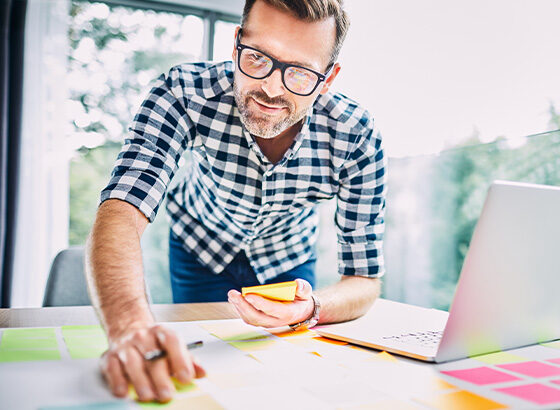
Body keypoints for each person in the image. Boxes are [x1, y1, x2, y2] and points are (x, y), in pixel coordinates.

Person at [85, 0, 386, 403]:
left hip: (288, 259)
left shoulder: (356, 135)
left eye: (299, 72)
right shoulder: (183, 91)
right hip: (199, 249)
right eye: (258, 58)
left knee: (285, 381)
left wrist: (312, 306)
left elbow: (363, 279)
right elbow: (121, 209)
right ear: (235, 44)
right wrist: (129, 329)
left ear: (327, 79)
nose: (271, 88)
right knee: (196, 378)